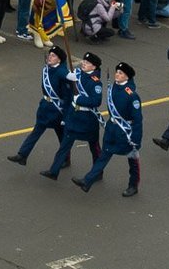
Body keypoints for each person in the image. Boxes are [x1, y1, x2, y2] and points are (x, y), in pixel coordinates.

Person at [74, 61, 143, 197]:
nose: (117, 74)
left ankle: (133, 185)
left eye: (121, 73)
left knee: (132, 160)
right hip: (112, 130)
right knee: (104, 156)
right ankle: (87, 181)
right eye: (117, 72)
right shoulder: (112, 88)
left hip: (126, 132)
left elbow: (138, 120)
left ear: (127, 77)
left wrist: (136, 139)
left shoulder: (132, 96)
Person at [42, 53, 104, 179]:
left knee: (94, 147)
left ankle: (98, 172)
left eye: (87, 63)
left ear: (94, 67)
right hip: (74, 116)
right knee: (65, 144)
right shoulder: (77, 74)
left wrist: (79, 99)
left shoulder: (96, 83)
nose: (83, 64)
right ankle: (54, 170)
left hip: (88, 118)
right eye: (84, 61)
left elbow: (96, 101)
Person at [8, 44, 72, 165]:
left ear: (59, 59)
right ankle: (22, 155)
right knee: (37, 131)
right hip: (45, 108)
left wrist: (65, 116)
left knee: (62, 136)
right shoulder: (47, 69)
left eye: (53, 56)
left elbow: (67, 97)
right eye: (50, 55)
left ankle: (66, 158)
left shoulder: (62, 73)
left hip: (57, 110)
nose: (49, 57)